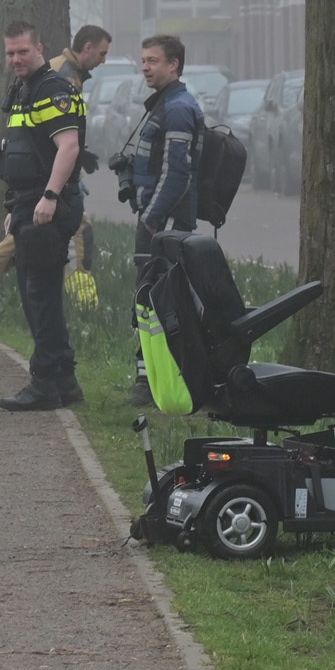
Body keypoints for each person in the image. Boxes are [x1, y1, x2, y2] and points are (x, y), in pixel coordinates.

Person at [0, 24, 111, 316]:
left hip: (39, 182)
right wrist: (63, 184)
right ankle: (86, 310)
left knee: (25, 234)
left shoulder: (57, 73)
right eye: (102, 53)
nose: (103, 60)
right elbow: (52, 138)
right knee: (76, 235)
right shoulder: (61, 79)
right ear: (88, 48)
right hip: (49, 183)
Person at [0, 22, 87, 411]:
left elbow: (68, 147)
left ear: (40, 48)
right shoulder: (24, 90)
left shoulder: (52, 89)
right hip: (29, 203)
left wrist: (49, 196)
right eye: (10, 53)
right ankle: (64, 381)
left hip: (47, 204)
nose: (16, 59)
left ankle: (44, 382)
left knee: (40, 297)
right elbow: (23, 150)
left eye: (23, 52)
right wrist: (14, 205)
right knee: (38, 294)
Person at [120, 34, 202, 408]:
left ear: (175, 65)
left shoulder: (179, 107)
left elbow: (176, 173)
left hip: (164, 222)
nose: (145, 67)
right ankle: (150, 377)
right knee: (150, 298)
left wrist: (152, 218)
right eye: (143, 61)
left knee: (158, 300)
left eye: (153, 61)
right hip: (156, 217)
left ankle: (157, 382)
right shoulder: (163, 104)